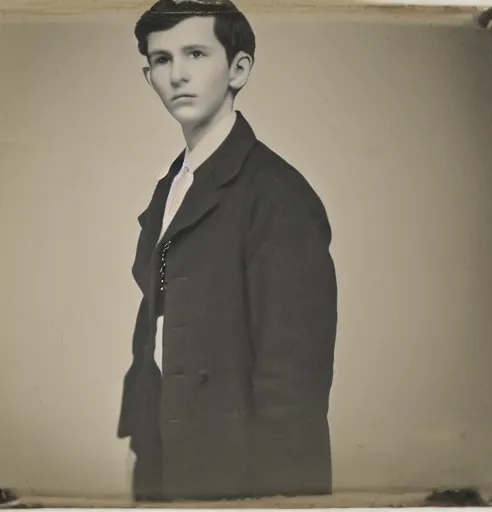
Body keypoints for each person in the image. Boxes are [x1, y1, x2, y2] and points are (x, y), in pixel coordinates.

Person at [116, 0, 338, 502]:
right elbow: (155, 324)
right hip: (165, 456)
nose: (177, 75)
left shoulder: (278, 195)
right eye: (162, 60)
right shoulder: (172, 184)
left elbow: (293, 384)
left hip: (240, 474)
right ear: (147, 74)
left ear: (238, 69)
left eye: (196, 53)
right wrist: (138, 438)